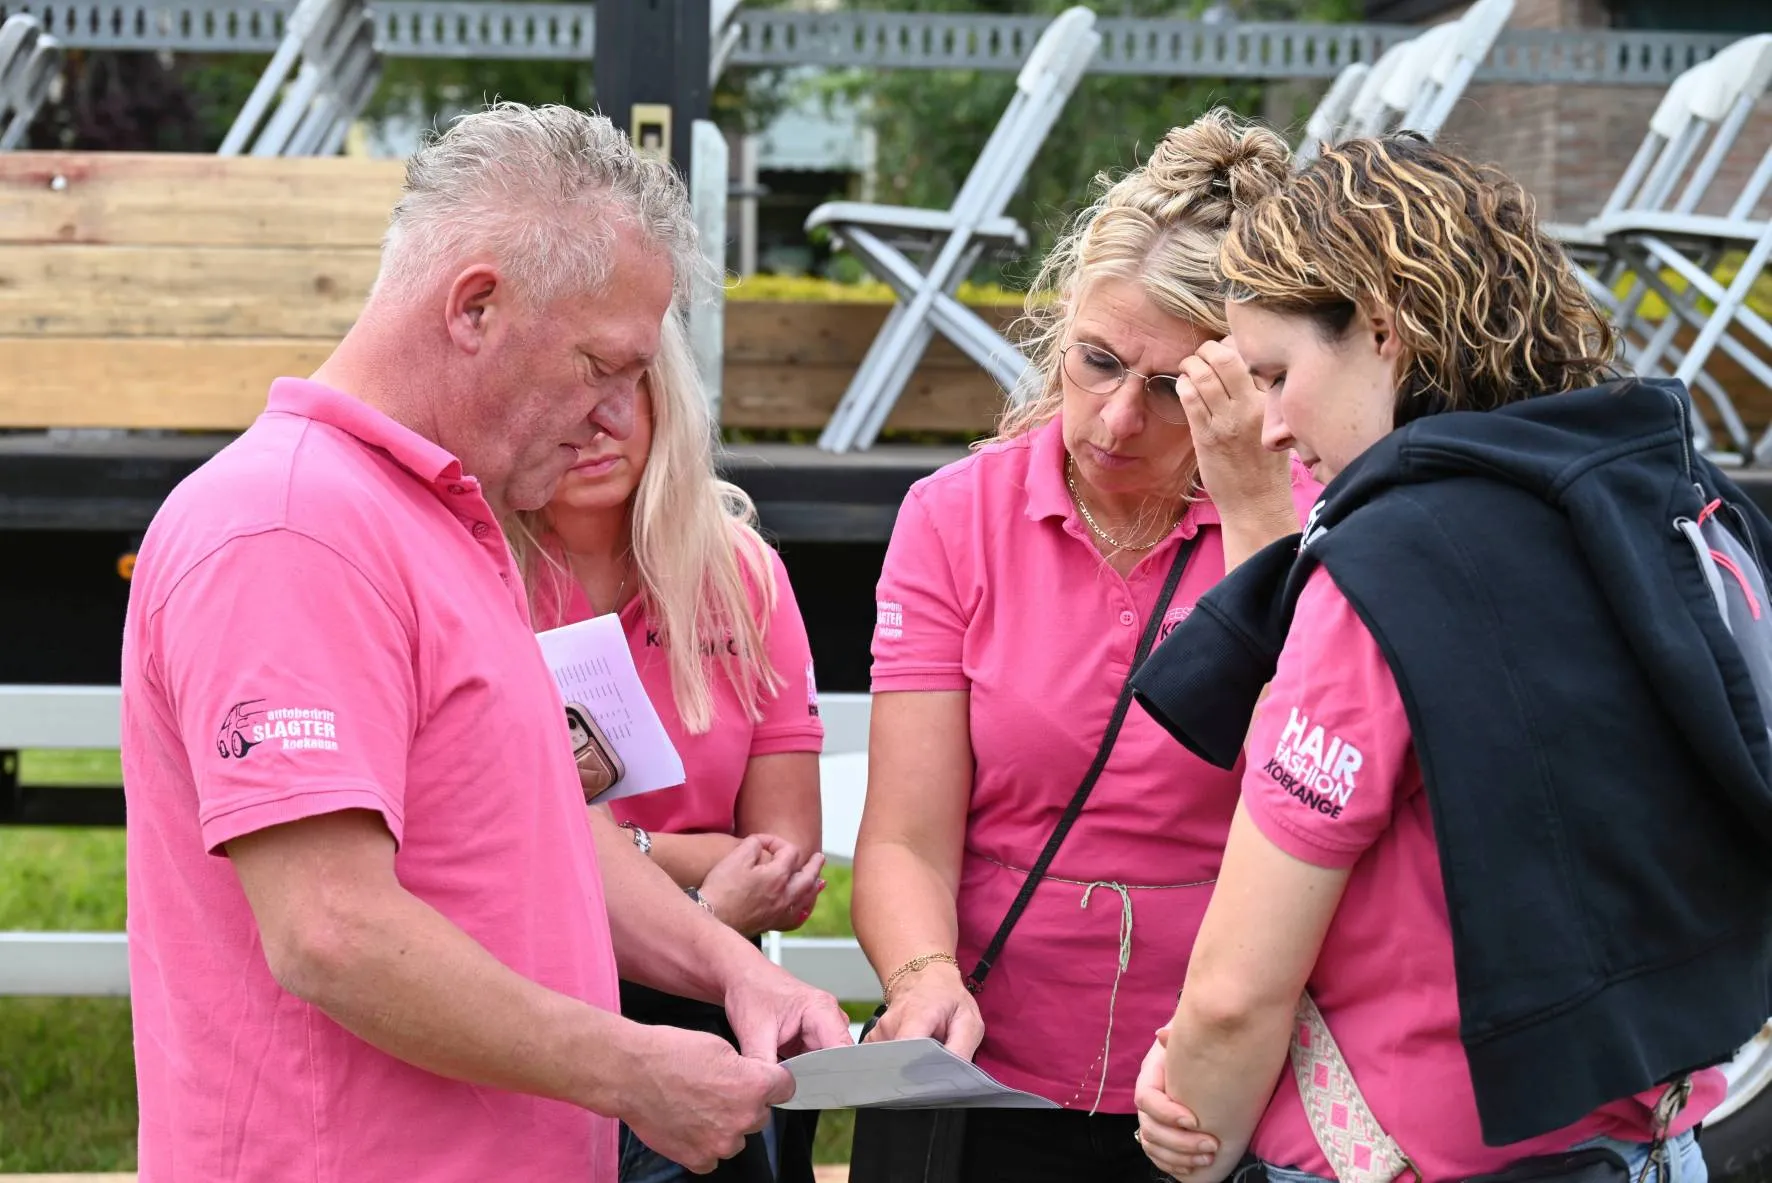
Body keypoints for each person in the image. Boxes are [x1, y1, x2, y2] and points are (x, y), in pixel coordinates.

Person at [118, 102, 850, 1183]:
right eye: (601, 365)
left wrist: (733, 972)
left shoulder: (441, 522)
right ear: (474, 307)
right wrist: (635, 1070)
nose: (617, 417)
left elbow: (544, 829)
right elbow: (332, 930)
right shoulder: (290, 528)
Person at [1131, 133, 1772, 1183]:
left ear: (1381, 330)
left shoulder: (1385, 572)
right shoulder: (1669, 506)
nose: (1276, 426)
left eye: (1278, 373)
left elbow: (1238, 985)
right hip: (1649, 1140)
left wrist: (1189, 1121)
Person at [848, 107, 1319, 1183]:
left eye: (1170, 392)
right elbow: (907, 837)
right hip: (989, 1073)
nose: (1113, 422)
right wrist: (922, 973)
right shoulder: (955, 517)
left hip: (1218, 1087)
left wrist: (1254, 525)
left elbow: (1310, 792)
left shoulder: (1309, 519)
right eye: (1094, 363)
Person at [510, 307, 828, 1183]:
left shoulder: (742, 573)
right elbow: (504, 859)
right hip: (527, 1022)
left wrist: (620, 851)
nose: (596, 420)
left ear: (665, 396)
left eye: (625, 385)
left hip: (709, 1019)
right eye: (565, 387)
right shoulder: (475, 569)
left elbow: (787, 864)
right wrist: (699, 885)